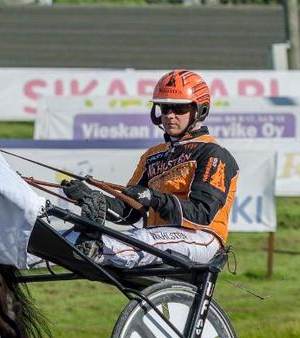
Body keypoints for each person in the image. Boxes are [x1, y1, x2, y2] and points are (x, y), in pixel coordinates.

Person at [63, 69, 239, 268]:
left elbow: (202, 214)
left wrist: (153, 197)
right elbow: (129, 212)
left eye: (179, 109)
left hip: (201, 238)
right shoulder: (152, 156)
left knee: (143, 238)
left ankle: (97, 250)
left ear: (200, 111)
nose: (170, 115)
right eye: (165, 108)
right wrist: (92, 198)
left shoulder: (213, 154)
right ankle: (29, 254)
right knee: (69, 237)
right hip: (160, 238)